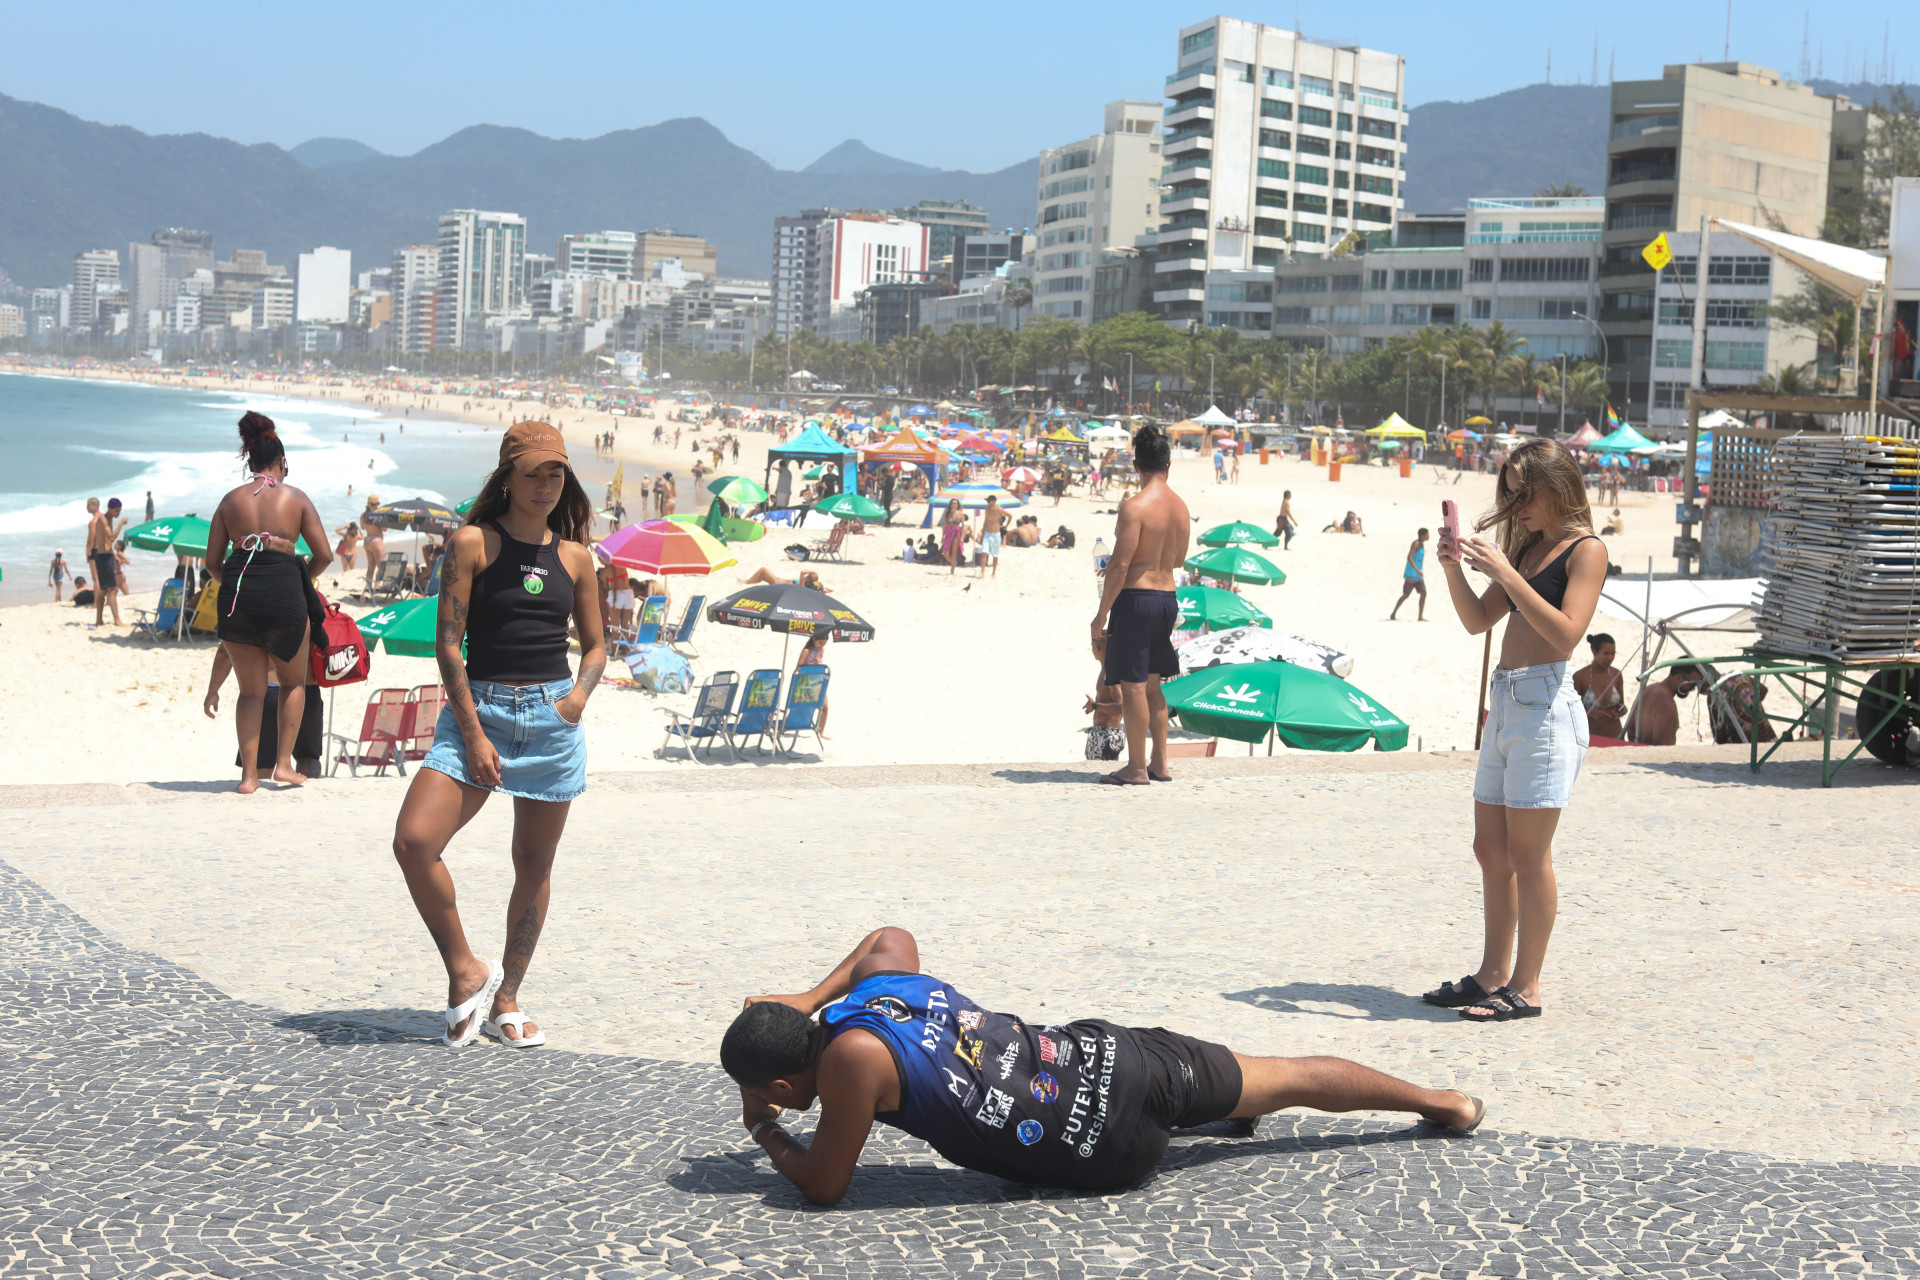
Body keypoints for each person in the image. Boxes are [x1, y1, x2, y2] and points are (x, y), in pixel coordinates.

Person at [720, 927, 1486, 1206]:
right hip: (1109, 1055)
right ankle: (1444, 1102)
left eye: (767, 1093)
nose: (770, 1103)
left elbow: (826, 1185)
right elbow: (887, 935)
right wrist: (807, 995)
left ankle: (1219, 1120)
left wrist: (766, 1135)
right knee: (1284, 1072)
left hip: (1103, 1146)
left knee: (1178, 1123)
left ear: (786, 1084)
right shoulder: (880, 990)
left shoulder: (852, 1062)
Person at [391, 421, 607, 1051]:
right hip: (476, 713)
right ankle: (467, 969)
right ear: (507, 476)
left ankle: (507, 997)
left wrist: (576, 699)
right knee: (413, 841)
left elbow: (596, 647)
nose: (546, 485)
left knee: (534, 863)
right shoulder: (471, 543)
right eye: (534, 472)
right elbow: (448, 645)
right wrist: (474, 732)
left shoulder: (574, 557)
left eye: (556, 473)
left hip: (552, 718)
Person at [1429, 438, 1605, 1024]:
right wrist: (1455, 568)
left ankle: (1527, 987)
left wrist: (1506, 569)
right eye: (1510, 491)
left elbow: (1565, 634)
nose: (1517, 502)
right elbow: (1478, 620)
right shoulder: (1526, 549)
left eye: (1526, 491)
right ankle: (1493, 973)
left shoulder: (1586, 550)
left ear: (1558, 486)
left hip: (1545, 705)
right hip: (1506, 702)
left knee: (1530, 855)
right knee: (1491, 851)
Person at [205, 412, 333, 793]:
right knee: (294, 685)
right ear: (281, 463)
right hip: (284, 593)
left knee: (250, 691)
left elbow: (213, 563)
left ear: (250, 463)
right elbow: (324, 554)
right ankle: (282, 766)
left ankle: (248, 778)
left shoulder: (230, 501)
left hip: (238, 596)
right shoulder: (295, 498)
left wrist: (239, 586)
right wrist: (298, 579)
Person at [1091, 424, 1189, 786]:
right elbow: (1178, 559)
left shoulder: (1134, 507)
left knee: (1132, 686)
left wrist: (1102, 614)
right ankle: (1160, 763)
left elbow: (1119, 565)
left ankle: (1135, 768)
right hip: (1167, 599)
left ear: (1136, 465)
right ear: (1168, 465)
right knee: (1153, 684)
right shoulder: (1180, 508)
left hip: (1136, 599)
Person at [1626, 663, 1705, 746]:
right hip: (1652, 757)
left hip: (1639, 753)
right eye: (1692, 684)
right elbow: (1662, 748)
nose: (1692, 689)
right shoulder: (1667, 704)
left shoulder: (1649, 689)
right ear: (1678, 678)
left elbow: (1631, 729)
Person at [1572, 633, 1626, 739]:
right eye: (1605, 654)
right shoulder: (1580, 677)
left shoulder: (1616, 674)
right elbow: (1570, 711)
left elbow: (1621, 705)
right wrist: (1590, 712)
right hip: (1589, 737)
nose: (1610, 658)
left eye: (1613, 653)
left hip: (1616, 735)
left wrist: (1621, 710)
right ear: (1594, 652)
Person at [86, 497, 127, 626]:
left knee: (104, 590)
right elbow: (111, 537)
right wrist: (121, 524)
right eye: (116, 511)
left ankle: (99, 620)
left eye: (119, 511)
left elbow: (106, 541)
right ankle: (117, 620)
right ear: (110, 509)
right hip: (102, 558)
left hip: (106, 556)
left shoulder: (109, 519)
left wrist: (113, 554)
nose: (118, 513)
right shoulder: (103, 520)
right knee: (112, 589)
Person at [1389, 528, 1430, 621]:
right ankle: (1393, 613)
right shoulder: (1416, 544)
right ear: (1422, 535)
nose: (1428, 536)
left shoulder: (1422, 544)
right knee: (1406, 594)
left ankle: (1420, 617)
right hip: (1411, 574)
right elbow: (1409, 557)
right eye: (1427, 534)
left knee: (1423, 593)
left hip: (1418, 576)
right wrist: (1417, 570)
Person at [977, 494, 1007, 580]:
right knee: (984, 553)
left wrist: (1005, 526)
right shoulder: (987, 510)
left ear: (993, 501)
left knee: (995, 554)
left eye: (989, 501)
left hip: (996, 534)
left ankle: (993, 572)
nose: (988, 503)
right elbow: (985, 522)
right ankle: (982, 572)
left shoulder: (999, 509)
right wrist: (982, 535)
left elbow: (1010, 516)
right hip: (987, 533)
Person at [938, 498, 969, 574]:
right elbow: (945, 526)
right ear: (950, 504)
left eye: (955, 503)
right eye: (952, 503)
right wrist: (942, 536)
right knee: (945, 552)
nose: (954, 505)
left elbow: (964, 526)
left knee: (954, 552)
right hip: (949, 532)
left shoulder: (960, 514)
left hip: (956, 532)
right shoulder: (948, 514)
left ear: (957, 505)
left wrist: (962, 537)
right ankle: (953, 563)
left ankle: (952, 570)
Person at [739, 568, 829, 593]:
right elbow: (820, 587)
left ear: (808, 579)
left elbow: (802, 572)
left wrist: (812, 571)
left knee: (763, 570)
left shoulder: (803, 584)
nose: (805, 576)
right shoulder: (812, 584)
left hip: (779, 584)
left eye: (807, 576)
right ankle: (748, 581)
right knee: (762, 576)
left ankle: (747, 582)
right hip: (780, 581)